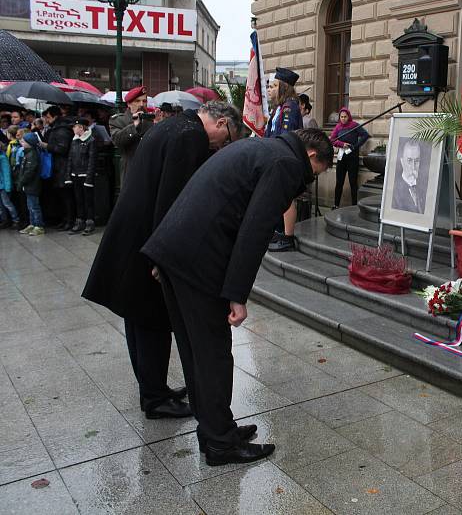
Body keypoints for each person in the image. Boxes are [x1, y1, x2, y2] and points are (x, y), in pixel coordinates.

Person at [141, 128, 334, 466]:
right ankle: (220, 444)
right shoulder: (285, 164)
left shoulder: (258, 147)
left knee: (194, 349)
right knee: (213, 353)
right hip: (198, 259)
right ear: (313, 156)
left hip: (176, 250)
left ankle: (216, 427)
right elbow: (255, 229)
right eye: (317, 173)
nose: (310, 180)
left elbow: (195, 192)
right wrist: (237, 295)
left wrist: (163, 253)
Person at [83, 102, 243, 421]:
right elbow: (173, 198)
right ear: (222, 122)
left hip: (132, 232)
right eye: (226, 139)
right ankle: (155, 398)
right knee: (153, 319)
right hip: (150, 239)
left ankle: (152, 388)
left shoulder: (171, 125)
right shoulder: (191, 136)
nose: (221, 146)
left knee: (136, 316)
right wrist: (163, 254)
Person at [266, 68, 305, 252]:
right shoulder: (279, 108)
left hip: (284, 157)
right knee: (277, 197)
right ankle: (278, 231)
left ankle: (287, 237)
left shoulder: (290, 107)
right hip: (274, 155)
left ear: (284, 87)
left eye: (274, 86)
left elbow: (286, 136)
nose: (269, 89)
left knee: (286, 198)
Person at [40, 105, 76, 231]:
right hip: (58, 166)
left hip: (63, 167)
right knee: (61, 196)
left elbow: (62, 148)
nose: (47, 120)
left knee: (66, 196)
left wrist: (47, 146)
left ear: (55, 116)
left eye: (48, 117)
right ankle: (64, 219)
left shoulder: (61, 130)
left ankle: (69, 220)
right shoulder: (56, 128)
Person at [109, 86, 153, 185]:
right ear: (129, 104)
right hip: (131, 169)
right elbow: (117, 140)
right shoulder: (118, 120)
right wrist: (134, 126)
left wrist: (161, 125)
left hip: (150, 169)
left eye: (144, 101)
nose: (141, 104)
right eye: (137, 101)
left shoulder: (151, 120)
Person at [331, 107, 369, 209]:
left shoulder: (354, 126)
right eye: (341, 117)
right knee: (339, 182)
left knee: (353, 182)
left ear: (349, 117)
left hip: (352, 157)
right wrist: (341, 144)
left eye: (345, 117)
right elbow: (332, 140)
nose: (343, 119)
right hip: (341, 157)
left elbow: (365, 135)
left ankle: (354, 206)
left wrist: (355, 146)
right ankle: (336, 205)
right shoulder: (338, 127)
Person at [66, 117, 97, 236]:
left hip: (85, 174)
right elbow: (70, 159)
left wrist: (89, 178)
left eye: (74, 126)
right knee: (78, 199)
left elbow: (92, 160)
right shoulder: (74, 140)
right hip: (75, 174)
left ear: (81, 127)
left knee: (88, 200)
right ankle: (80, 221)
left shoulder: (91, 140)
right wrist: (68, 176)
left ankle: (90, 222)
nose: (73, 128)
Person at [16, 132, 44, 236]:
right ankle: (32, 224)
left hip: (33, 184)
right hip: (28, 185)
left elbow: (29, 172)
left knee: (34, 206)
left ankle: (39, 226)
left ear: (29, 143)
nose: (21, 142)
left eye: (23, 141)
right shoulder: (27, 153)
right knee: (29, 206)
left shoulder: (32, 155)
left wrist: (21, 182)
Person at [391, 139, 428, 214]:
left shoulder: (426, 187)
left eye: (417, 161)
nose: (413, 167)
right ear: (402, 162)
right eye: (409, 160)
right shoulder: (393, 190)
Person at [0, 143, 19, 230]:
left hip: (3, 186)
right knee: (1, 205)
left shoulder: (2, 158)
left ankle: (16, 220)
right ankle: (4, 220)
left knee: (7, 204)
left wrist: (7, 186)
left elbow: (6, 173)